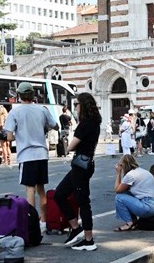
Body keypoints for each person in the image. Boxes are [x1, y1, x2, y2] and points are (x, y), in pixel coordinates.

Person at [3, 82, 58, 233]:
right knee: (41, 189)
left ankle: (32, 223)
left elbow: (8, 137)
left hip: (26, 155)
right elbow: (56, 126)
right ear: (33, 95)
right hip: (41, 153)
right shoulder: (42, 110)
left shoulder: (15, 112)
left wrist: (18, 135)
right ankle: (44, 220)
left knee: (29, 190)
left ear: (19, 95)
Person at [54, 92, 102, 251]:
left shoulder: (86, 124)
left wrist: (65, 145)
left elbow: (71, 146)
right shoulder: (95, 122)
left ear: (83, 105)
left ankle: (89, 240)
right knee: (59, 194)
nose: (75, 107)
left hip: (81, 165)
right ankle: (76, 228)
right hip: (84, 164)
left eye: (77, 104)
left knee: (83, 202)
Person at [113, 154, 154, 231]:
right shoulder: (142, 171)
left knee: (119, 197)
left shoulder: (130, 175)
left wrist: (118, 173)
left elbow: (117, 190)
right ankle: (134, 221)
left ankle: (129, 223)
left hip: (148, 207)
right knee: (125, 193)